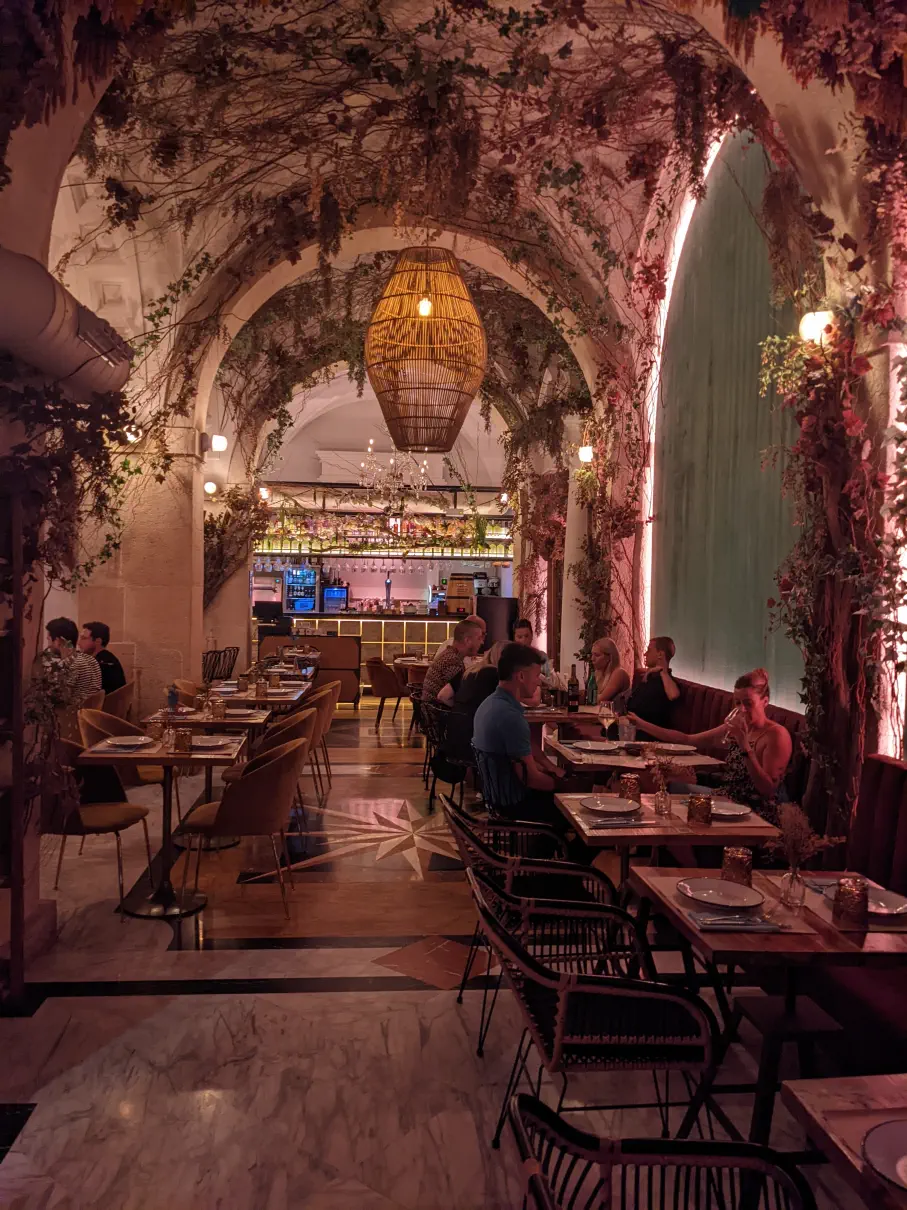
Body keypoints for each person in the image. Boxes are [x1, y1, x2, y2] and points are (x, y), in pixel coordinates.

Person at [628, 668, 792, 820]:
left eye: (748, 703)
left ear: (765, 701)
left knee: (673, 809)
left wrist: (744, 745)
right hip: (726, 797)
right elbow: (687, 740)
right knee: (655, 784)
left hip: (754, 809)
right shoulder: (736, 727)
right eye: (737, 703)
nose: (742, 709)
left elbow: (768, 790)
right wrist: (641, 724)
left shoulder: (776, 735)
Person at [472, 642, 571, 825]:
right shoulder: (510, 717)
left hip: (496, 798)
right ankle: (558, 850)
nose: (539, 680)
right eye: (536, 675)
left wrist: (552, 769)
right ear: (522, 676)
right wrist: (568, 789)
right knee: (581, 814)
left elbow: (527, 757)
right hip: (516, 804)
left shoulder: (489, 704)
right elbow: (532, 780)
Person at [440, 640, 507, 761]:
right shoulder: (495, 675)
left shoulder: (470, 671)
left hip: (454, 737)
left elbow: (443, 695)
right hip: (474, 742)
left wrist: (462, 708)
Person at [625, 635, 681, 734]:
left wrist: (663, 671)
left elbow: (673, 695)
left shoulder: (667, 680)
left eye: (649, 650)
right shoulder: (650, 677)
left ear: (660, 654)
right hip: (631, 727)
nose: (645, 654)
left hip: (648, 734)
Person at [422, 619, 484, 702]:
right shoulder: (452, 661)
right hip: (438, 712)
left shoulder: (450, 655)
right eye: (479, 638)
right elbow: (461, 695)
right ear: (467, 641)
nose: (482, 642)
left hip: (433, 710)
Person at [45, 617, 102, 703]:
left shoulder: (69, 664)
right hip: (88, 715)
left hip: (73, 714)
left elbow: (56, 699)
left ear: (58, 641)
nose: (48, 645)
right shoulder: (90, 660)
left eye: (48, 639)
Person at [78, 621, 126, 694]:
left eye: (83, 638)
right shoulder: (107, 657)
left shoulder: (100, 664)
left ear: (98, 641)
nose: (79, 642)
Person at [584, 637, 630, 708]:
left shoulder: (619, 673)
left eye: (597, 655)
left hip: (616, 717)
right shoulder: (597, 673)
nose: (592, 659)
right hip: (600, 714)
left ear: (609, 657)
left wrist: (583, 695)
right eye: (592, 655)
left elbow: (600, 700)